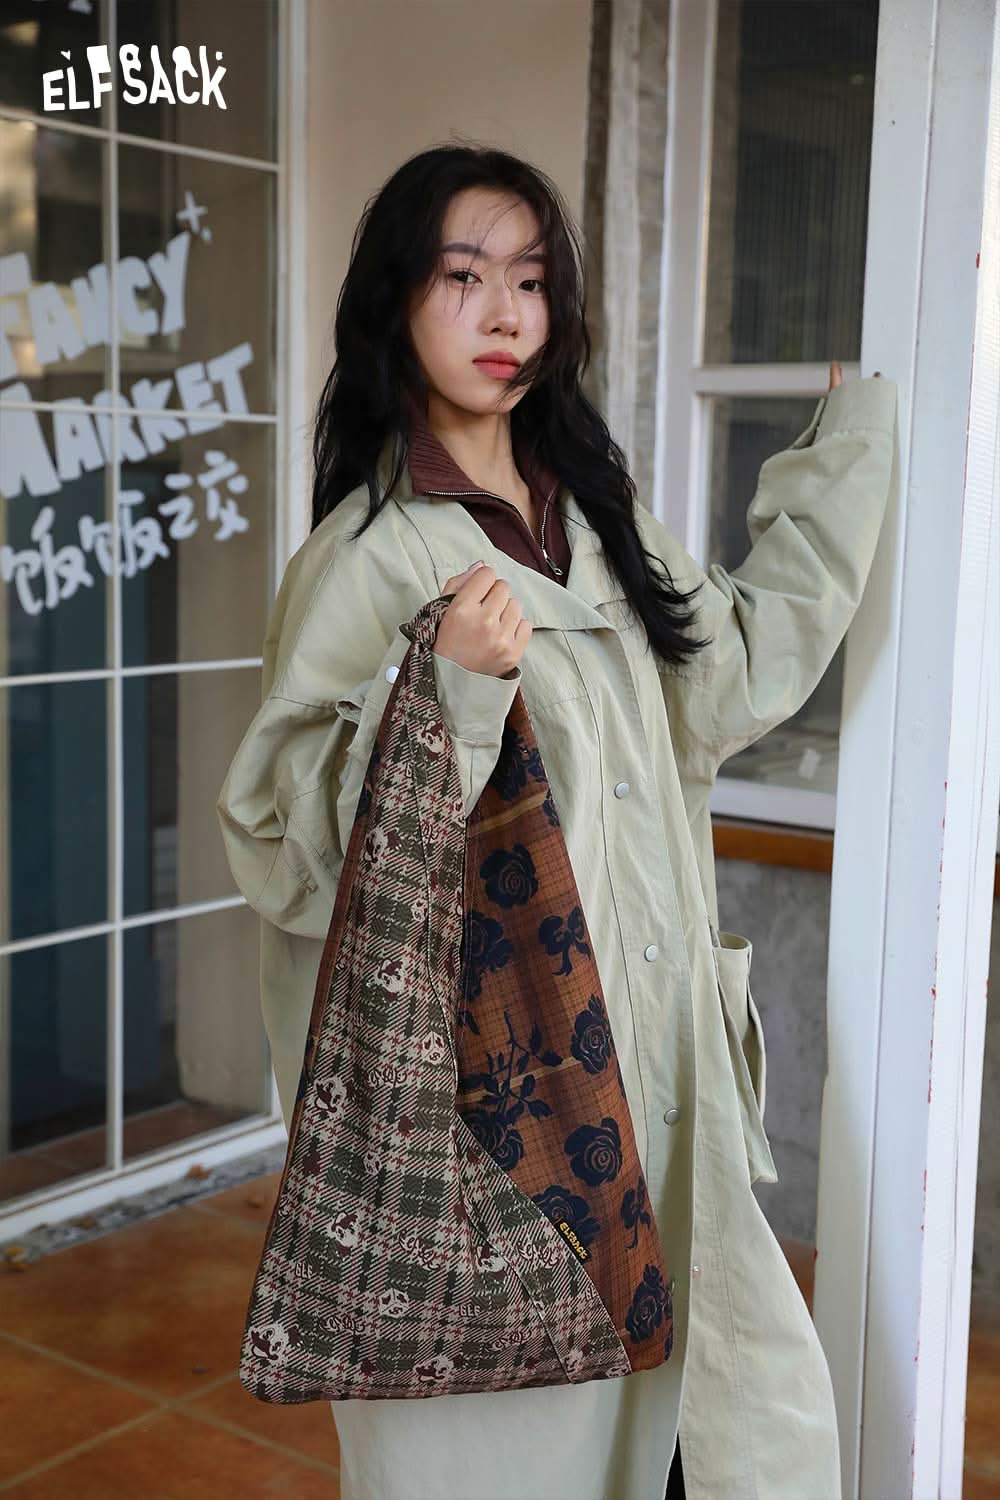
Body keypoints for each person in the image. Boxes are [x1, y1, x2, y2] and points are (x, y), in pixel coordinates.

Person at [217, 144, 898, 1500]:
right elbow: (287, 853)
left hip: (648, 1083)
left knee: (726, 1439)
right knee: (504, 1461)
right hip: (488, 1124)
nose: (505, 314)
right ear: (396, 304)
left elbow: (734, 672)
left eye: (529, 280)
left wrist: (851, 451)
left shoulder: (595, 518)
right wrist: (451, 696)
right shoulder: (361, 558)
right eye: (463, 278)